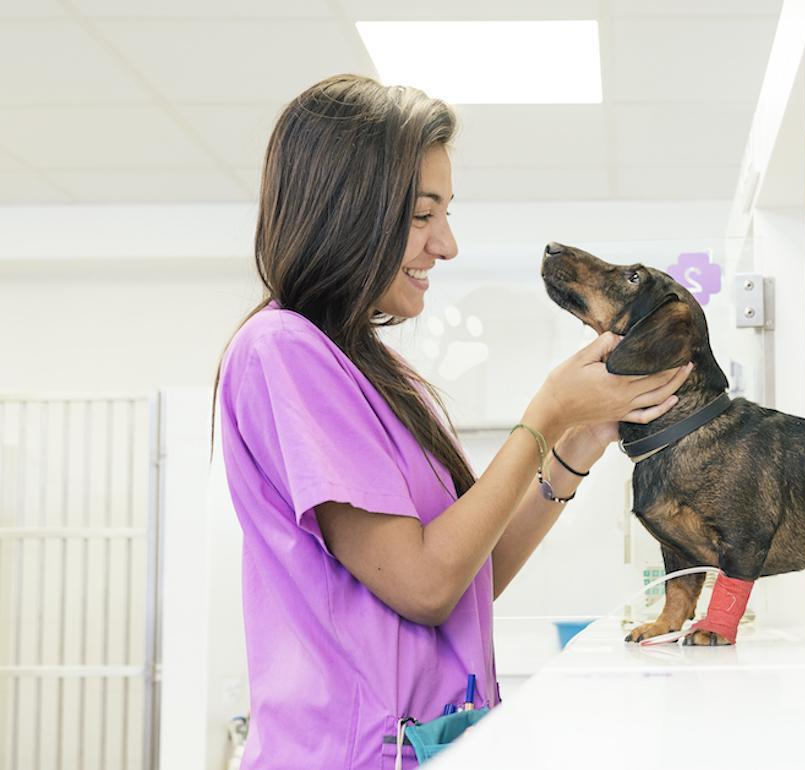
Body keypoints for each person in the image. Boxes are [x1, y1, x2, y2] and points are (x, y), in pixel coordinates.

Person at [213, 74, 690, 770]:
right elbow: (425, 586)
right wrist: (547, 410)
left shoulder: (387, 376)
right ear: (344, 212)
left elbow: (469, 575)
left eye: (446, 213)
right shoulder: (281, 352)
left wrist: (576, 441)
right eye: (420, 215)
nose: (447, 245)